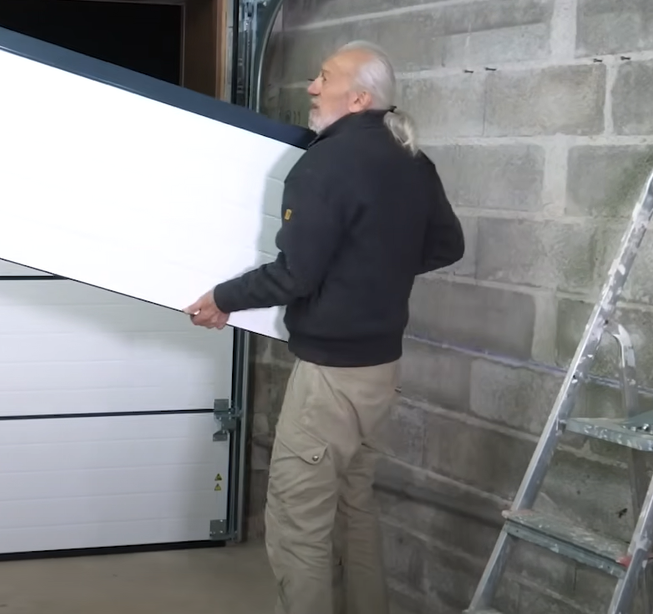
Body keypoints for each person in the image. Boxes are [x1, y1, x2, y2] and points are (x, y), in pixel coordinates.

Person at [184, 40, 464, 614]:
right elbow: (447, 245)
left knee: (298, 521)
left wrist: (222, 299)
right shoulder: (411, 158)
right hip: (381, 371)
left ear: (358, 98)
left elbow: (296, 274)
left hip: (331, 379)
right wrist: (374, 269)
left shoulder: (325, 163)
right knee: (354, 505)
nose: (311, 87)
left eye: (324, 77)